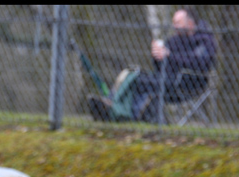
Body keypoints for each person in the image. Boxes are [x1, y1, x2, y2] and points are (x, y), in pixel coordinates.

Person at [88, 9, 216, 123]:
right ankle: (114, 108)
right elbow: (160, 68)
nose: (174, 26)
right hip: (167, 79)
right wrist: (157, 56)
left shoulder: (205, 40)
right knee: (131, 74)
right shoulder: (174, 40)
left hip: (188, 83)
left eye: (178, 22)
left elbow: (199, 64)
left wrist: (169, 55)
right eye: (173, 22)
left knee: (137, 81)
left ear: (190, 23)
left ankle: (115, 110)